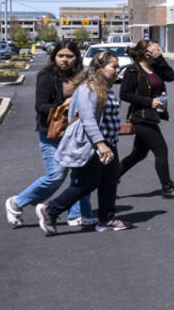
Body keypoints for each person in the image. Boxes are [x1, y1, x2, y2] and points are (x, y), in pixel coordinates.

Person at [4, 41, 93, 229]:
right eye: (61, 56)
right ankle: (17, 202)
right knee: (56, 175)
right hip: (52, 133)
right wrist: (64, 107)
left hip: (77, 133)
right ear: (54, 57)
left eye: (69, 56)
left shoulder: (83, 76)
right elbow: (40, 106)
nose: (65, 60)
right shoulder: (46, 76)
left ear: (76, 57)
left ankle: (78, 213)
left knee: (81, 173)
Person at [39, 50, 127, 233]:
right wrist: (100, 144)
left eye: (118, 66)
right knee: (89, 182)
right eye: (114, 66)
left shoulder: (106, 87)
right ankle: (50, 210)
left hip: (109, 142)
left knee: (109, 181)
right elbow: (87, 119)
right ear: (101, 68)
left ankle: (106, 219)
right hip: (93, 144)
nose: (118, 70)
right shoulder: (89, 88)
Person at [119, 40, 174, 199]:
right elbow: (124, 94)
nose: (159, 49)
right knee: (161, 150)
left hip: (152, 115)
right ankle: (167, 188)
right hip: (141, 117)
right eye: (155, 48)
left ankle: (110, 178)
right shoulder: (133, 70)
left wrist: (160, 59)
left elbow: (171, 77)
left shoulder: (155, 67)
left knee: (138, 154)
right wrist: (149, 102)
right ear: (146, 52)